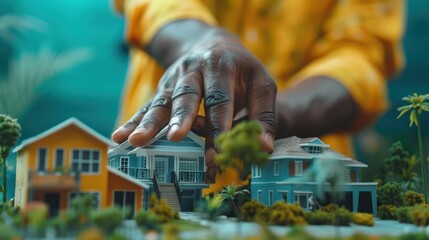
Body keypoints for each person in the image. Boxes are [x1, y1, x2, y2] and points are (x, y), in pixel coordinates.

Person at [111, 1, 404, 192]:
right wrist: (204, 43)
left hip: (303, 179)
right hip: (156, 155)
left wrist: (271, 115)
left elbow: (359, 56)